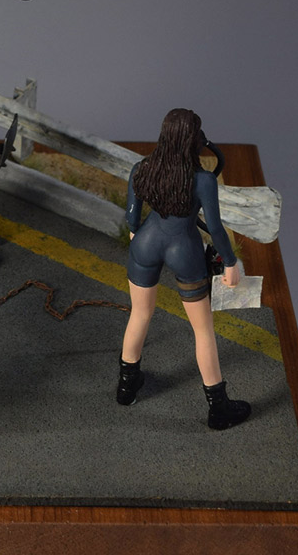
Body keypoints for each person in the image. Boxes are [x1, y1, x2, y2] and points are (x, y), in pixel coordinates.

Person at [117, 107, 251, 430]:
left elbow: (132, 217)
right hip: (184, 250)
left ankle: (126, 387)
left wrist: (136, 236)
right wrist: (230, 262)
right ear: (194, 140)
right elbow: (215, 229)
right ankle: (218, 407)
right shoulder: (203, 180)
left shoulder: (141, 168)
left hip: (146, 243)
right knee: (202, 330)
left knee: (140, 314)